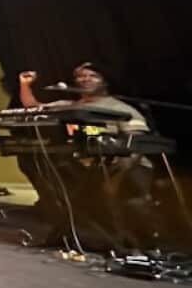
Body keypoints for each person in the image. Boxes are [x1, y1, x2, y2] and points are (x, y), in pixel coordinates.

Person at [17, 63, 156, 247]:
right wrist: (25, 84)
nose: (85, 80)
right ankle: (88, 238)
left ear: (104, 82)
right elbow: (32, 107)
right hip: (90, 166)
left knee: (129, 200)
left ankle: (138, 246)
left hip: (128, 165)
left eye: (92, 76)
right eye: (81, 77)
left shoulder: (119, 107)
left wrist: (117, 175)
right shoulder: (70, 106)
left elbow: (137, 143)